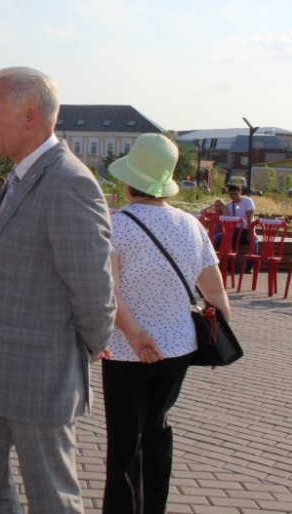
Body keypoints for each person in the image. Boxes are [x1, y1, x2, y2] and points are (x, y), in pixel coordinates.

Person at [0, 67, 116, 513]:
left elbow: (94, 291)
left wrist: (82, 349)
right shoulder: (21, 174)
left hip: (40, 378)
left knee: (52, 500)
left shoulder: (70, 183)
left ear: (29, 116)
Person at [102, 134, 232, 513]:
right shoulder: (192, 226)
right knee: (157, 433)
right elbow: (217, 295)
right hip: (177, 349)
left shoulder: (115, 225)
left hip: (126, 350)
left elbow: (109, 293)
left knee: (125, 444)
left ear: (129, 181)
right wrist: (217, 334)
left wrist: (135, 333)